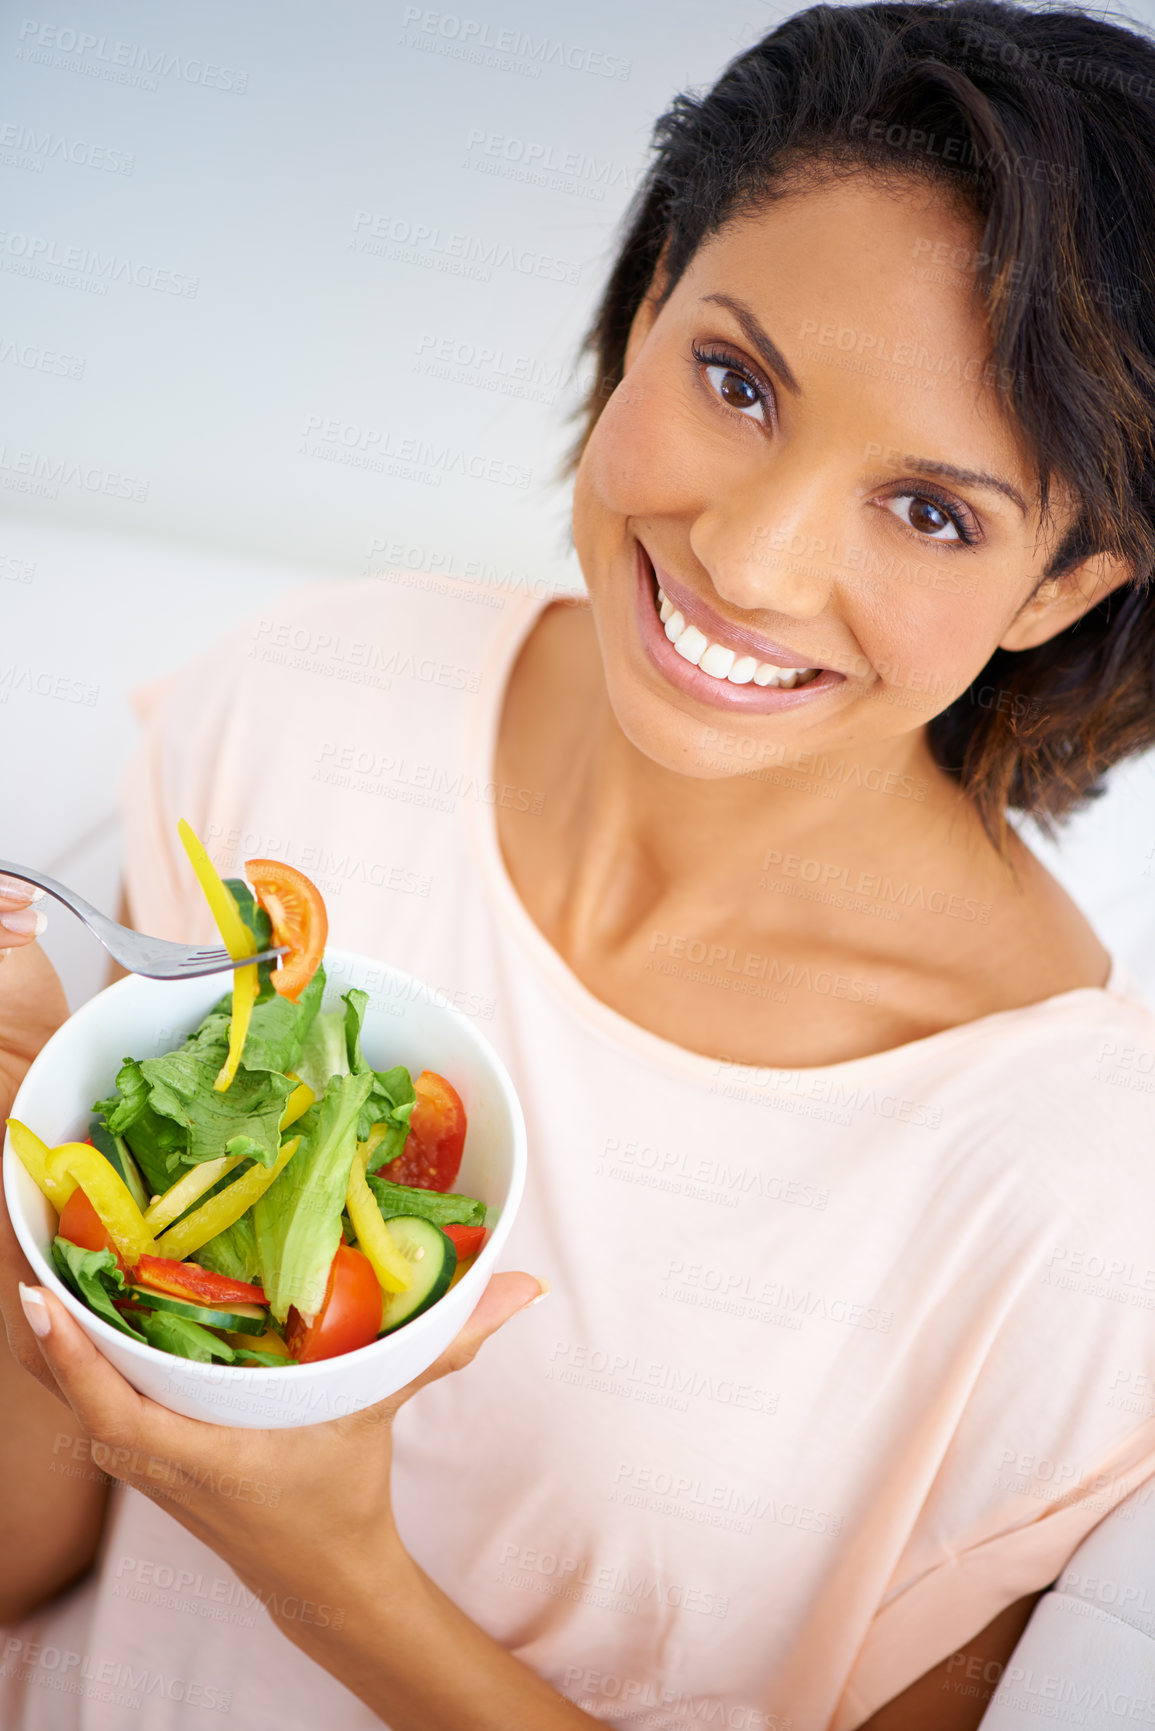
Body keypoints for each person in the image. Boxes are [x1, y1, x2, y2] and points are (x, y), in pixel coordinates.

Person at [5, 1, 1155, 1725]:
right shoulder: (313, 702)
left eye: (932, 511)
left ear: (1063, 587)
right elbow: (32, 1560)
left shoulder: (1081, 1203)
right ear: (650, 294)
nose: (753, 564)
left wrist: (336, 1572)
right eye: (739, 381)